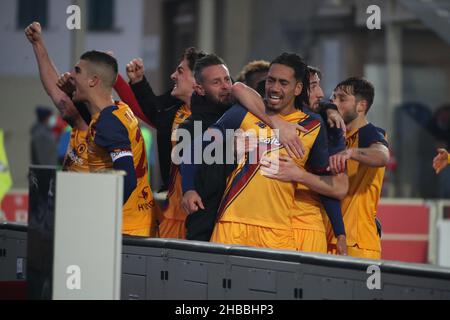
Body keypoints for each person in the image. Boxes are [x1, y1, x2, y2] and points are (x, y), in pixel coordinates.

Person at [198, 53, 345, 252]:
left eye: (283, 83)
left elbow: (333, 186)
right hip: (232, 224)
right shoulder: (246, 112)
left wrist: (299, 175)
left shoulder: (314, 125)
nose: (275, 88)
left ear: (298, 88)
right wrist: (231, 150)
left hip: (281, 231)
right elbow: (200, 146)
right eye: (271, 80)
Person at [59, 50, 157, 237]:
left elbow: (127, 180)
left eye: (77, 71)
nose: (71, 76)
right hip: (138, 223)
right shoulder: (118, 109)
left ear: (93, 80)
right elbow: (98, 125)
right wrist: (73, 93)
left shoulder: (108, 122)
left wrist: (95, 215)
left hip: (124, 230)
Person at [328, 77, 389, 259]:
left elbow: (382, 155)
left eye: (342, 98)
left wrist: (351, 153)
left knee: (366, 289)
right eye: (333, 97)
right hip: (335, 238)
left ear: (361, 106)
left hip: (358, 244)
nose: (334, 102)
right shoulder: (338, 136)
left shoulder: (369, 133)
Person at [25, 21, 90, 172]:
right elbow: (53, 88)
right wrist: (37, 44)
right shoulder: (74, 129)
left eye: (70, 94)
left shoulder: (101, 129)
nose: (61, 99)